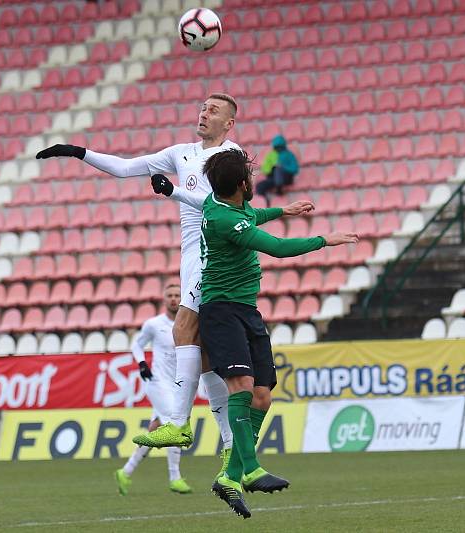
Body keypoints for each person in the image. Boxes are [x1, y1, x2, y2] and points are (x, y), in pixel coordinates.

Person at [35, 94, 239, 478]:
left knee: (182, 328)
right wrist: (78, 152)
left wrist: (173, 192)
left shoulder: (231, 155)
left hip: (214, 250)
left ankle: (178, 423)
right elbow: (127, 167)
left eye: (214, 110)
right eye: (203, 106)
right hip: (190, 254)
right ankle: (230, 447)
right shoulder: (181, 153)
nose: (203, 112)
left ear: (229, 123)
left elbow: (224, 206)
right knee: (207, 354)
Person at [198, 148, 358, 518]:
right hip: (222, 310)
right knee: (240, 388)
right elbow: (278, 248)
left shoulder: (219, 203)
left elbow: (250, 214)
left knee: (262, 396)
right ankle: (248, 469)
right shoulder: (224, 219)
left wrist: (282, 211)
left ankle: (230, 476)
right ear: (243, 184)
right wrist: (323, 240)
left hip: (246, 311)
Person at [115, 283, 191, 495]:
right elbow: (136, 345)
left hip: (177, 385)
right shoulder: (153, 324)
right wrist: (141, 363)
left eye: (177, 295)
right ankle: (174, 477)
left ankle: (125, 471)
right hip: (157, 382)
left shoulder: (189, 323)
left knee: (155, 429)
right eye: (170, 295)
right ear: (164, 299)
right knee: (175, 427)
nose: (174, 299)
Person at [255, 135, 299, 200]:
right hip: (273, 179)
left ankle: (279, 189)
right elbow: (265, 169)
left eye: (280, 147)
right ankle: (264, 201)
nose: (278, 149)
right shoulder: (270, 155)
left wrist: (283, 167)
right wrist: (272, 168)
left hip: (286, 178)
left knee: (278, 170)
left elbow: (294, 169)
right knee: (259, 186)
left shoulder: (289, 155)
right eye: (277, 147)